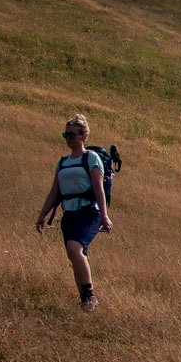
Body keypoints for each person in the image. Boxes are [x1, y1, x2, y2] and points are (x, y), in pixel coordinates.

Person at [35, 113, 112, 312]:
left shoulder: (91, 158)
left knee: (74, 249)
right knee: (75, 255)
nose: (68, 139)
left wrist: (104, 215)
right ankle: (85, 303)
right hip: (68, 215)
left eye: (72, 135)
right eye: (66, 135)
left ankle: (90, 295)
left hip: (88, 213)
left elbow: (98, 188)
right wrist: (42, 214)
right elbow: (55, 192)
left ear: (83, 136)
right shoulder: (62, 162)